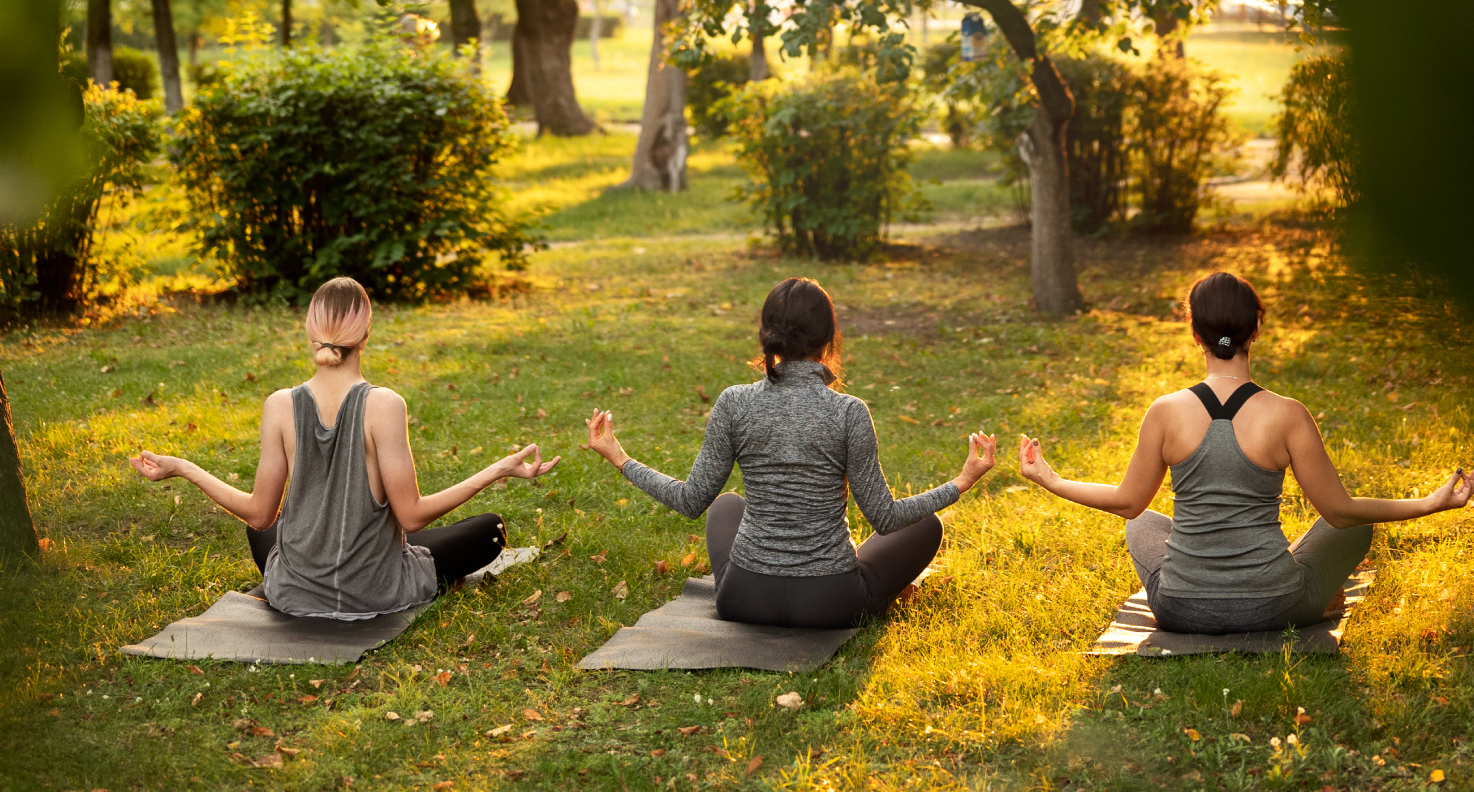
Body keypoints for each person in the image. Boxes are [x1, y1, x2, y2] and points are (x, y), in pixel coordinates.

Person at [1017, 271, 1474, 635]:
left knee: (1140, 520)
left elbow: (1127, 502)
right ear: (1256, 327)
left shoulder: (1165, 411)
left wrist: (1052, 480)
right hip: (1275, 605)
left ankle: (1262, 578)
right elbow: (1339, 512)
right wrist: (1431, 502)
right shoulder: (1288, 415)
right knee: (1355, 527)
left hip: (1182, 608)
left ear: (1194, 333)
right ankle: (1306, 595)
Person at [129, 277, 559, 620]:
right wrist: (497, 470)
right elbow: (410, 514)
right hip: (375, 591)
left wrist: (184, 467)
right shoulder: (384, 405)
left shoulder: (279, 405)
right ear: (366, 335)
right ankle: (382, 561)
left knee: (263, 526)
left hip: (293, 594)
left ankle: (326, 570)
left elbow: (260, 515)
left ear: (310, 334)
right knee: (490, 530)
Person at [582, 277, 997, 629]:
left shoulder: (734, 403)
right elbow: (885, 518)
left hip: (744, 601)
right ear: (829, 339)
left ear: (766, 336)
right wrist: (962, 482)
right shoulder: (849, 411)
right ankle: (864, 594)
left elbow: (691, 500)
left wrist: (621, 458)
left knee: (725, 505)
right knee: (927, 527)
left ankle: (755, 582)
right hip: (831, 603)